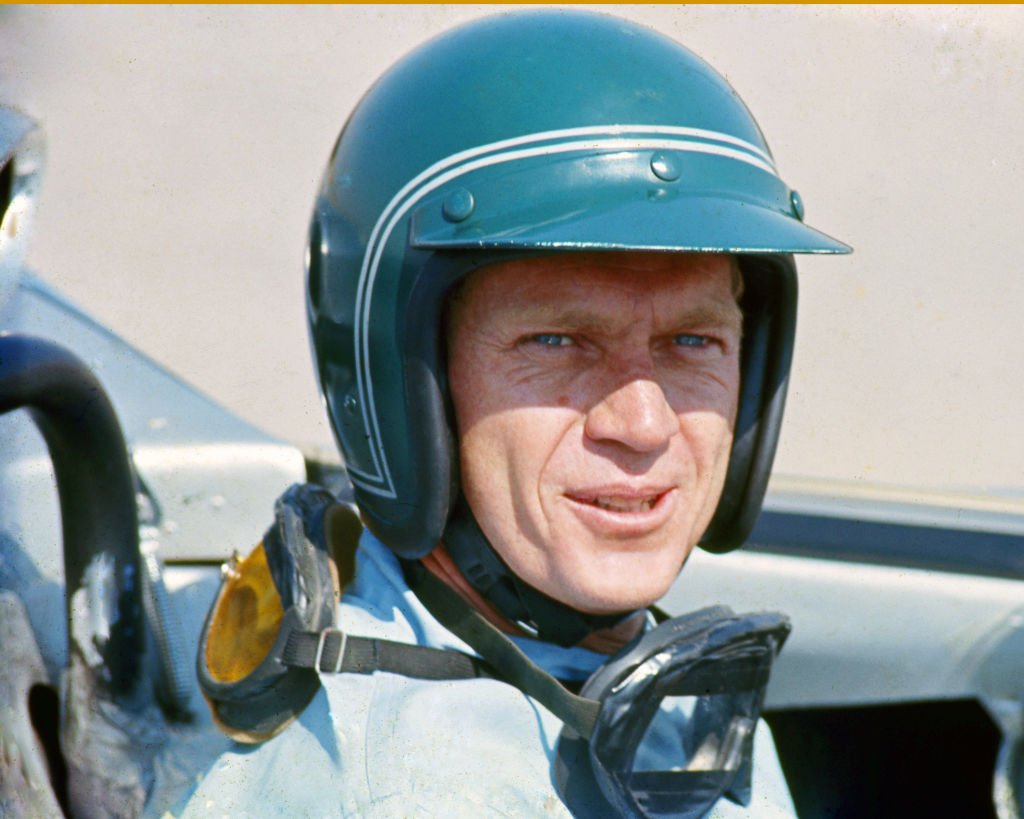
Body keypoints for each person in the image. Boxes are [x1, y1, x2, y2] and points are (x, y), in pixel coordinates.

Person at [181, 9, 849, 817]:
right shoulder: (408, 794)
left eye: (692, 339)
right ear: (407, 386)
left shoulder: (655, 697)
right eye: (558, 339)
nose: (642, 424)